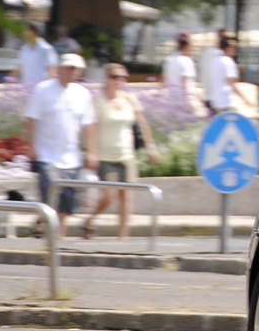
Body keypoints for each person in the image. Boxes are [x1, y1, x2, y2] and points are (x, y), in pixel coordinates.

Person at [80, 64, 160, 240]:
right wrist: (91, 152)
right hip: (105, 155)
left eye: (123, 77)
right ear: (107, 79)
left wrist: (151, 146)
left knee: (126, 197)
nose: (120, 81)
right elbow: (91, 129)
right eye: (116, 77)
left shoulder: (130, 99)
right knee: (108, 196)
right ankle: (89, 220)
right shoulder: (98, 101)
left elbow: (142, 123)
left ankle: (122, 238)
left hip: (126, 154)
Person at [22, 53, 97, 236]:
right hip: (47, 156)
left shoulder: (82, 94)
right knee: (51, 194)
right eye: (68, 68)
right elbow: (31, 119)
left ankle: (58, 242)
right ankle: (48, 233)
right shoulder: (43, 90)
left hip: (72, 158)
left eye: (75, 69)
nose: (71, 72)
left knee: (66, 205)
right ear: (60, 69)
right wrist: (31, 147)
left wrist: (92, 151)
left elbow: (88, 125)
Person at [206, 33, 245, 115]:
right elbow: (233, 83)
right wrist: (245, 99)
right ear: (228, 48)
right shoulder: (228, 62)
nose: (236, 50)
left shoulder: (214, 61)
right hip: (225, 101)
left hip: (215, 99)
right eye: (234, 47)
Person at [160, 32, 197, 100]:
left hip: (170, 99)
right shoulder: (187, 61)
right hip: (184, 101)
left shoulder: (169, 61)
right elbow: (186, 84)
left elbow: (163, 82)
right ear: (187, 46)